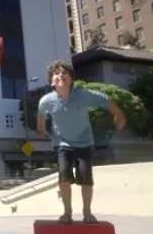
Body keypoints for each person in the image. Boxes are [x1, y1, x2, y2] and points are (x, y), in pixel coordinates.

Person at [37, 60, 126, 224]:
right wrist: (42, 131)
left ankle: (87, 212)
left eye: (65, 73)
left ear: (71, 79)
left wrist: (119, 114)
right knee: (64, 177)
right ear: (52, 82)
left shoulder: (82, 94)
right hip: (63, 144)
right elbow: (41, 119)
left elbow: (105, 99)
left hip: (85, 143)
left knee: (85, 178)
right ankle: (67, 213)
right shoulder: (46, 101)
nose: (61, 75)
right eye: (57, 73)